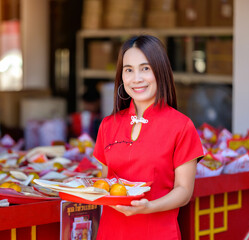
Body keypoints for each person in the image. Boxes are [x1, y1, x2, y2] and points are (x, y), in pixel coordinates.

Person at [93, 35, 204, 239]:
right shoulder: (108, 125)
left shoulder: (181, 126)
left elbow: (184, 191)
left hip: (157, 232)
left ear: (160, 71)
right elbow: (105, 184)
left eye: (145, 68)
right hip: (111, 232)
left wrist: (149, 207)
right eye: (129, 70)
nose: (136, 78)